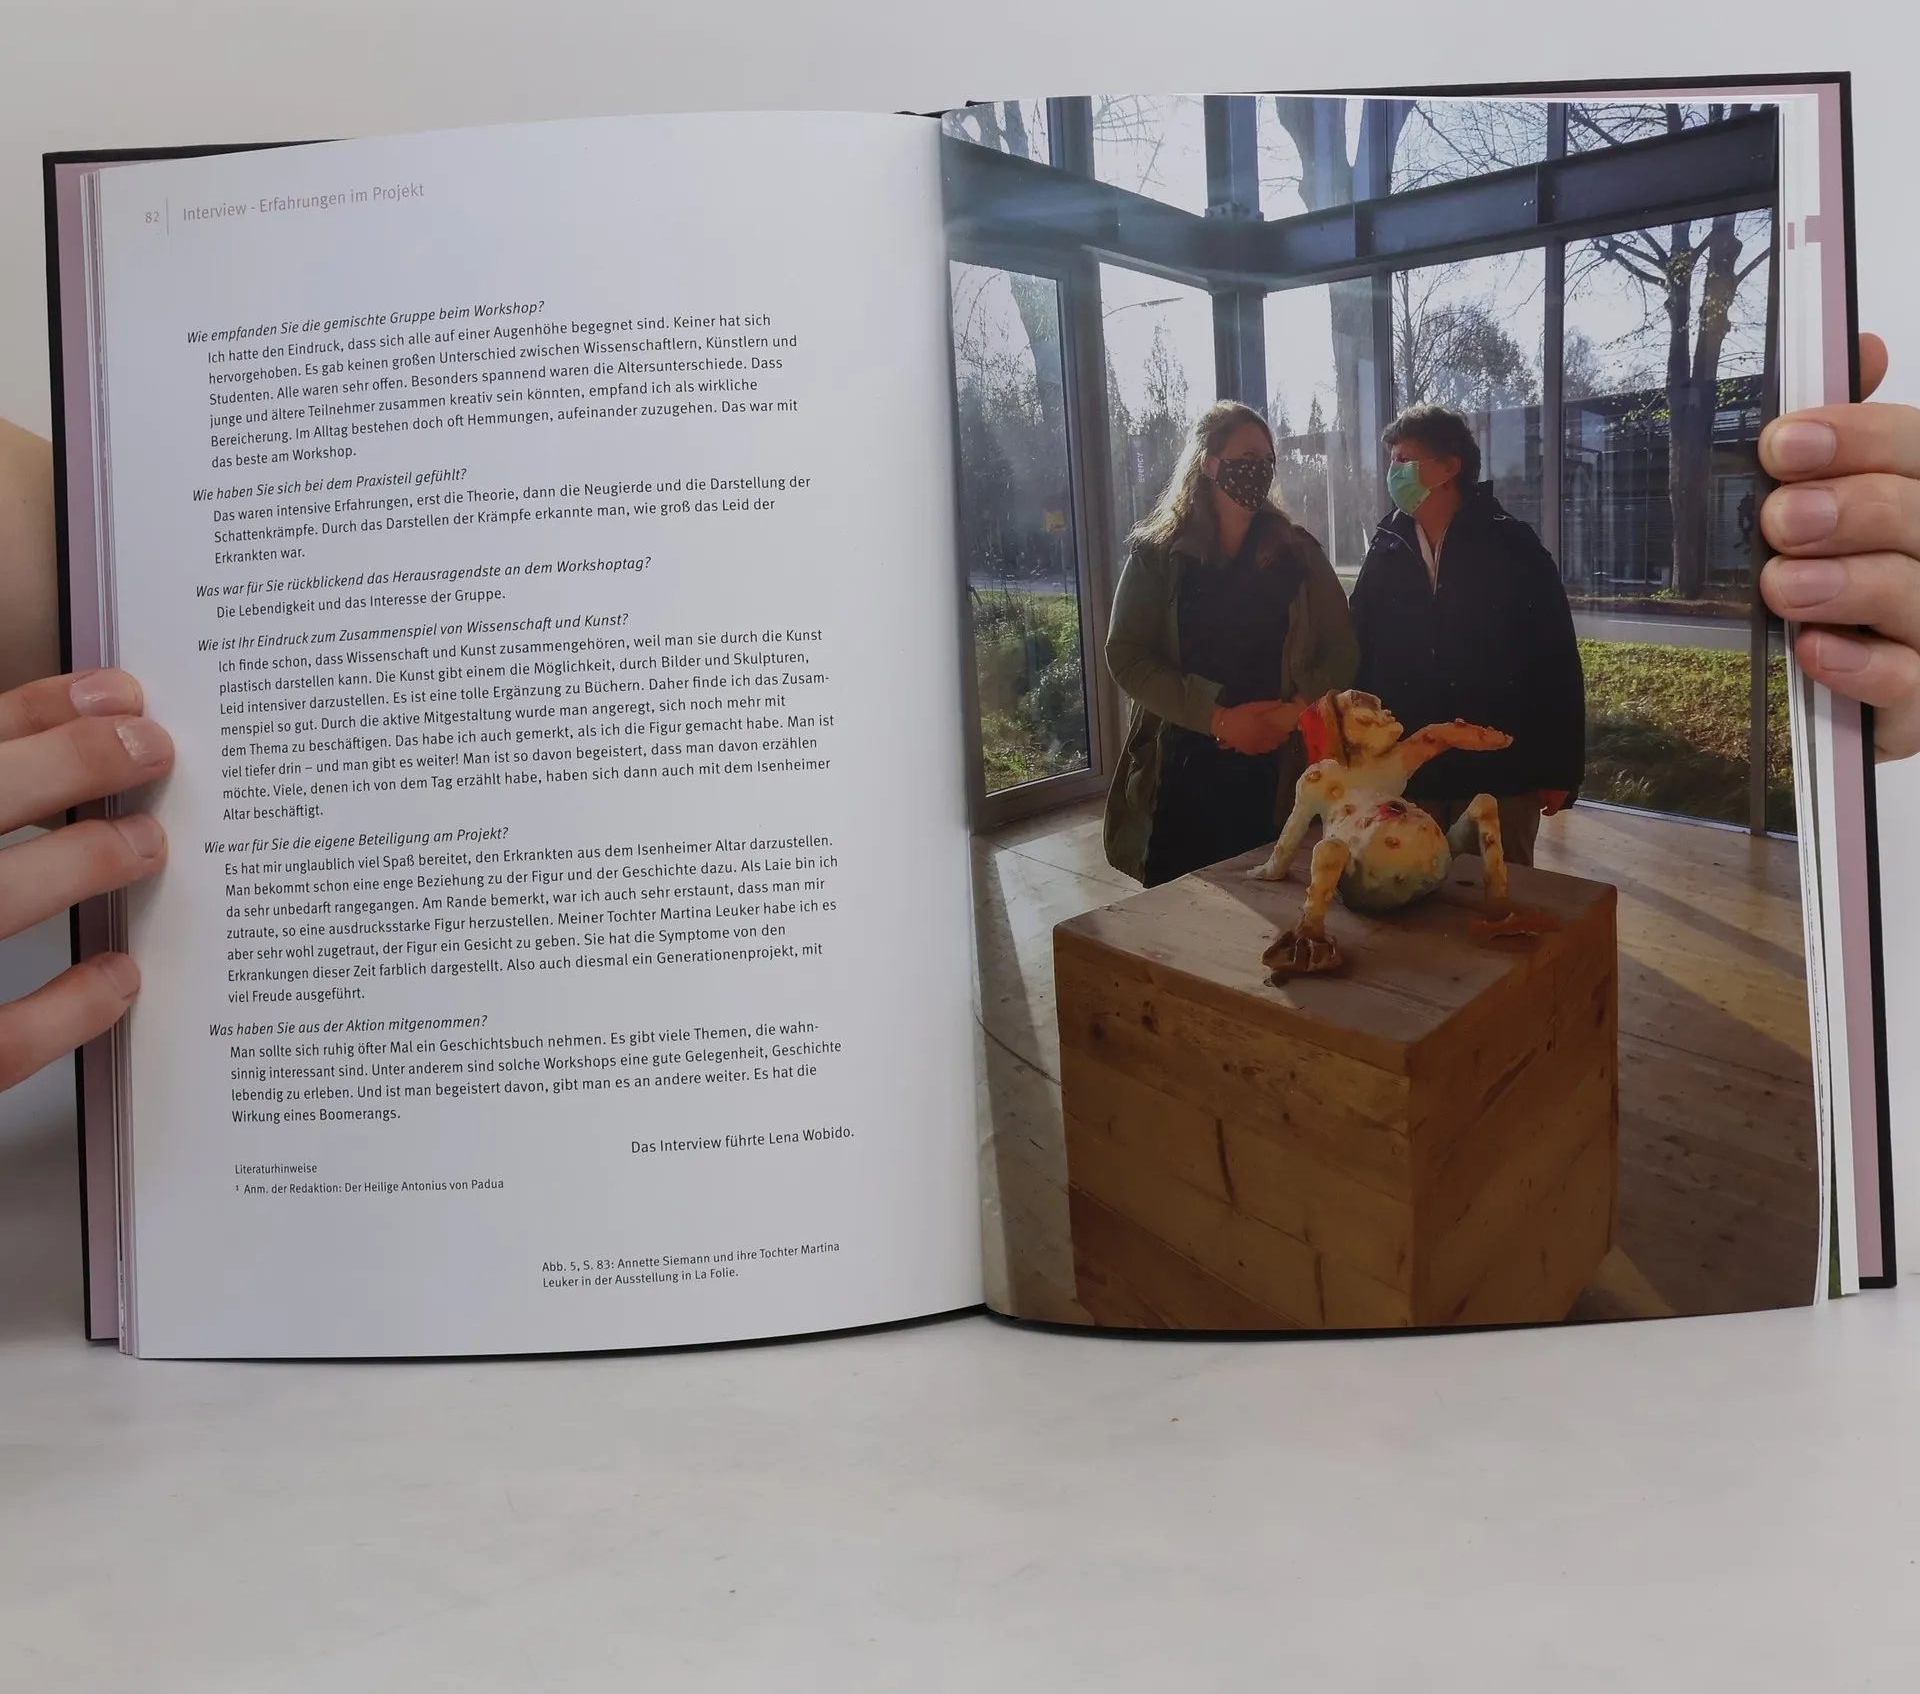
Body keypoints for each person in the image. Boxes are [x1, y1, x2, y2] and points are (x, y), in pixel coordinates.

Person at [3, 333, 1920, 1090]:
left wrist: (1381, 726)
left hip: (1371, 770)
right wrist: (1260, 716)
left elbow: (1442, 651)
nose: (1268, 474)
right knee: (1207, 928)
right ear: (1206, 463)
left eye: (1287, 455)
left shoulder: (1390, 549)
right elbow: (1137, 673)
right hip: (1216, 774)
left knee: (1355, 918)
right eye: (1241, 455)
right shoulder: (1169, 554)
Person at [1104, 400, 1359, 886]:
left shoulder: (1298, 552)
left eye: (1267, 460)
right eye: (1247, 458)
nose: (1259, 470)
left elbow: (1342, 647)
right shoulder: (1157, 556)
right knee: (1185, 907)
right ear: (1208, 464)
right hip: (1183, 769)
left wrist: (1295, 712)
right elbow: (1126, 655)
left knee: (1273, 901)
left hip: (1278, 767)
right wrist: (1219, 719)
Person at [1347, 402, 1581, 866]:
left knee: (1499, 893)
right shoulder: (1385, 548)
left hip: (1501, 775)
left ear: (1449, 467)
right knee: (1410, 891)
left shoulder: (1513, 546)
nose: (1393, 472)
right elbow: (1361, 655)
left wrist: (1561, 770)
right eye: (1392, 460)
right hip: (1409, 774)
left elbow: (1555, 661)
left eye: (1403, 459)